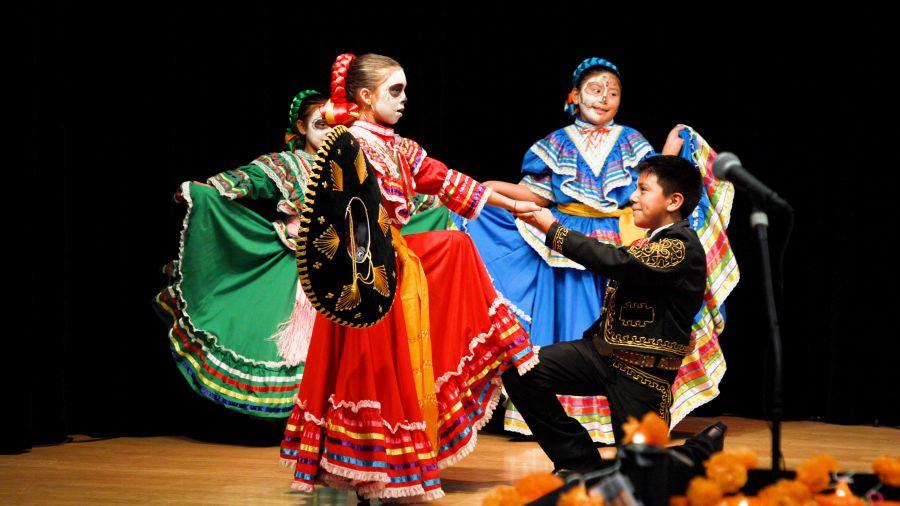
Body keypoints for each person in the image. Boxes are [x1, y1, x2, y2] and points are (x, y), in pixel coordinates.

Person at [278, 53, 541, 502]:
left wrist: (517, 207)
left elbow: (450, 182)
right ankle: (370, 472)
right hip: (365, 274)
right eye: (394, 92)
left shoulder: (400, 147)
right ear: (365, 96)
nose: (403, 101)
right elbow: (334, 217)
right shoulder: (346, 144)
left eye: (405, 92)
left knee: (456, 245)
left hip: (393, 262)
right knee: (372, 371)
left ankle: (387, 470)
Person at [453, 58, 737, 444]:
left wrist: (669, 152)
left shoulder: (666, 225)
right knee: (569, 329)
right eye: (596, 89)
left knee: (641, 456)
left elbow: (633, 223)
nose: (604, 99)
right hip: (570, 232)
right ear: (574, 95)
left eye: (613, 92)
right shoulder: (554, 143)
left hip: (613, 237)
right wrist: (489, 189)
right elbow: (540, 194)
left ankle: (648, 438)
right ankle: (575, 446)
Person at [503, 154, 726, 485]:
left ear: (674, 201)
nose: (633, 197)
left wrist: (553, 229)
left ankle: (699, 450)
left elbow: (616, 261)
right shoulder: (653, 242)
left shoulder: (681, 246)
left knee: (640, 479)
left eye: (643, 189)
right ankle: (578, 461)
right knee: (522, 372)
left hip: (642, 375)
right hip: (601, 355)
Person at [152, 90, 331, 418]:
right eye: (321, 123)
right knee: (277, 339)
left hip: (341, 264)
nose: (329, 130)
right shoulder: (286, 163)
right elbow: (248, 178)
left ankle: (331, 417)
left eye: (336, 125)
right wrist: (209, 190)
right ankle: (295, 417)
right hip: (296, 260)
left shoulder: (352, 168)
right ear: (302, 127)